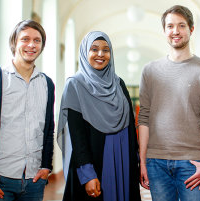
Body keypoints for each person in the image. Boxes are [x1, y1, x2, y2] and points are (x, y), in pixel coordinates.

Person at [138, 5, 200, 201]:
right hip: (156, 162)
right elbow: (144, 118)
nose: (175, 31)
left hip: (193, 164)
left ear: (191, 30)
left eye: (181, 26)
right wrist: (142, 161)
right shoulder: (149, 71)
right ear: (164, 31)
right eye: (170, 26)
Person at [0, 20, 55, 201]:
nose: (31, 45)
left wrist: (47, 166)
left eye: (37, 40)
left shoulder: (47, 84)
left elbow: (48, 130)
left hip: (34, 181)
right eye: (25, 39)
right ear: (14, 43)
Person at [57, 31, 141, 201]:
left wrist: (135, 165)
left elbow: (131, 126)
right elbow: (77, 136)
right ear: (85, 52)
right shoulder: (75, 85)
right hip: (94, 165)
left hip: (122, 162)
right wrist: (87, 174)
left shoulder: (119, 83)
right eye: (94, 49)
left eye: (106, 49)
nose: (100, 54)